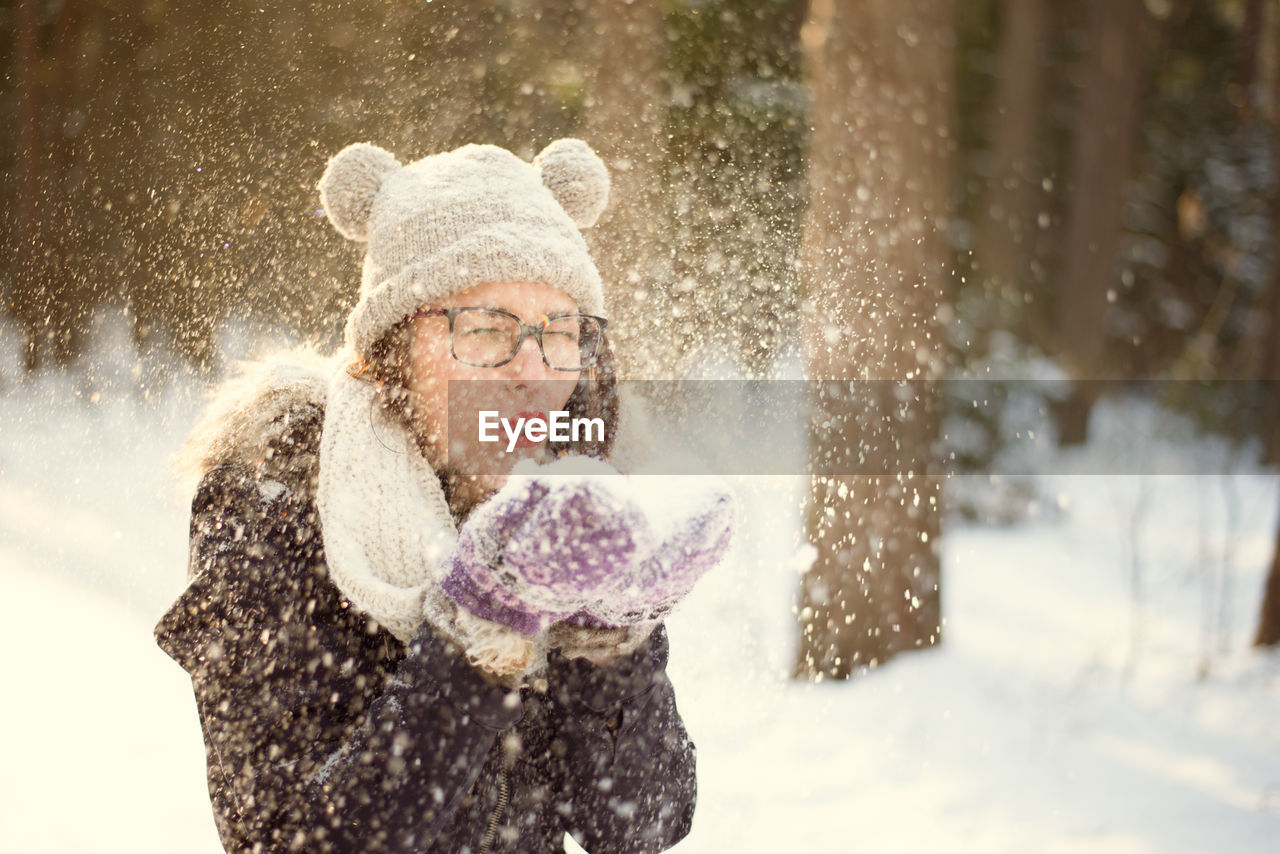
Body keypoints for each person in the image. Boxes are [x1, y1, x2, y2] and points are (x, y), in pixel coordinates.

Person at [154, 138, 736, 854]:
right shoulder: (282, 496)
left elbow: (639, 823)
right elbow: (283, 839)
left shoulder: (569, 499)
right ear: (391, 350)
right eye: (487, 329)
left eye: (560, 333)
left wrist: (613, 642)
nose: (534, 371)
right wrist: (474, 634)